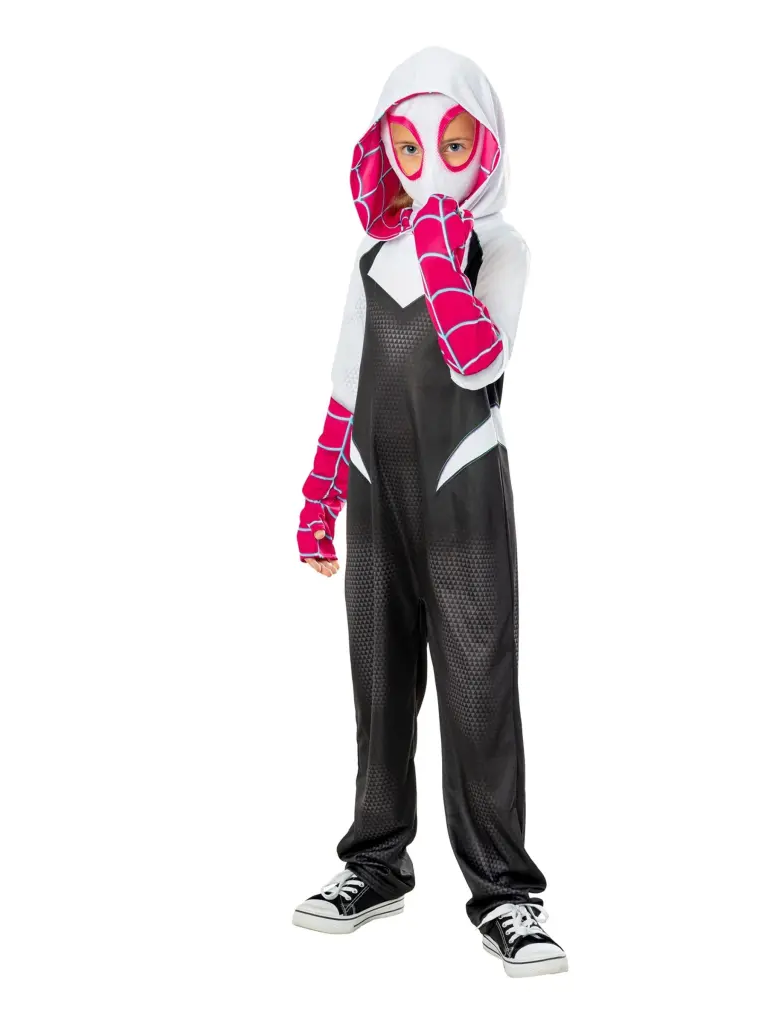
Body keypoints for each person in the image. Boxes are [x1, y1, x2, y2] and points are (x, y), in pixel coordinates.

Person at [291, 45, 567, 978]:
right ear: (386, 153)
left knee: (478, 687)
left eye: (451, 145)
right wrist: (319, 499)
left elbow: (479, 359)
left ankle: (506, 896)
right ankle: (375, 864)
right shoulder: (371, 258)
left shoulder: (500, 247)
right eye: (409, 150)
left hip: (462, 491)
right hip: (376, 493)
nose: (431, 168)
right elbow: (345, 384)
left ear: (485, 144)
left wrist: (445, 243)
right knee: (377, 684)